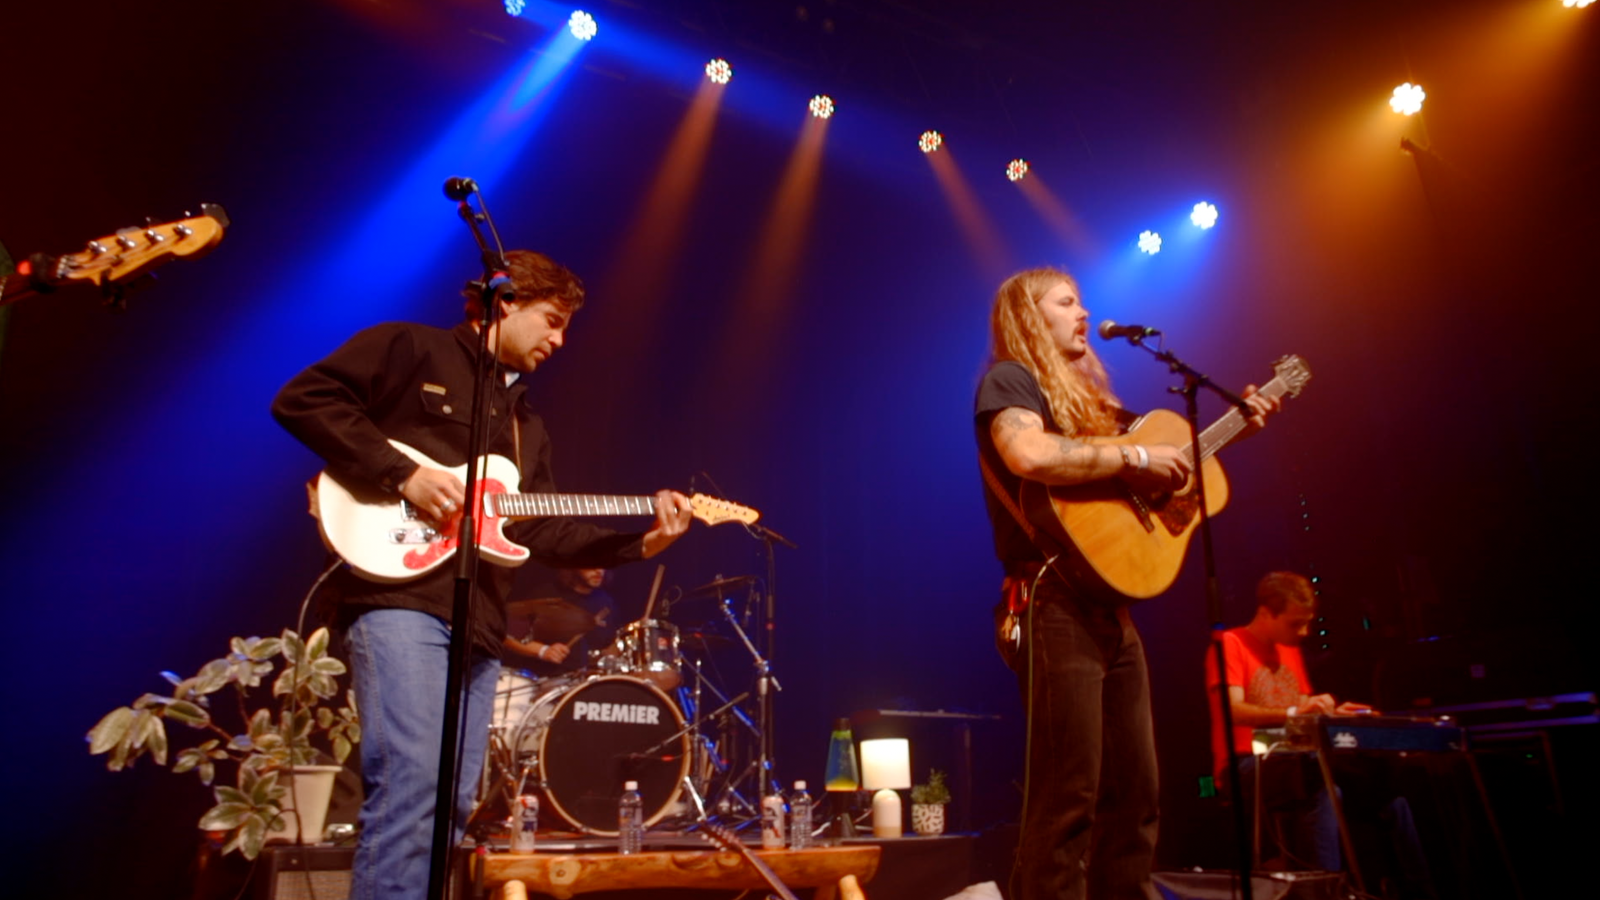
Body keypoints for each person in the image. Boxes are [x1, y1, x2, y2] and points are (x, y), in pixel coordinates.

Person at [271, 249, 694, 900]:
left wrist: (644, 542)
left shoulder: (527, 426)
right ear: (505, 302)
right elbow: (304, 400)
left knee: (455, 803)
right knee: (412, 783)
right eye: (552, 321)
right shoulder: (411, 348)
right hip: (401, 599)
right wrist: (403, 473)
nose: (560, 341)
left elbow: (542, 530)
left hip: (482, 624)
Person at [975, 266, 1278, 899]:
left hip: (1109, 610)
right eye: (1066, 302)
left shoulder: (1097, 406)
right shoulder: (1010, 379)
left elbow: (1171, 464)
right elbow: (1029, 454)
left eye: (1081, 302)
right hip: (1051, 601)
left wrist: (1237, 425)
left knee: (1137, 793)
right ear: (1030, 317)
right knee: (1068, 796)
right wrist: (1135, 457)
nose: (1084, 313)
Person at [1206, 571, 1431, 895]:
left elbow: (1300, 709)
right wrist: (1298, 712)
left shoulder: (1289, 649)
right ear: (1266, 614)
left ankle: (1420, 891)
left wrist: (1331, 713)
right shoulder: (1230, 644)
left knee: (1384, 788)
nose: (1304, 632)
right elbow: (1233, 711)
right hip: (1243, 765)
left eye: (1307, 623)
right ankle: (1326, 894)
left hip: (1296, 760)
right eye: (1295, 624)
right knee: (1323, 788)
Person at [502, 567, 620, 673]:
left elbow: (608, 644)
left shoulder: (605, 601)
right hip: (548, 679)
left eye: (603, 565)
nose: (599, 571)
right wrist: (542, 651)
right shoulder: (547, 596)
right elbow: (507, 636)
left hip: (587, 680)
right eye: (592, 564)